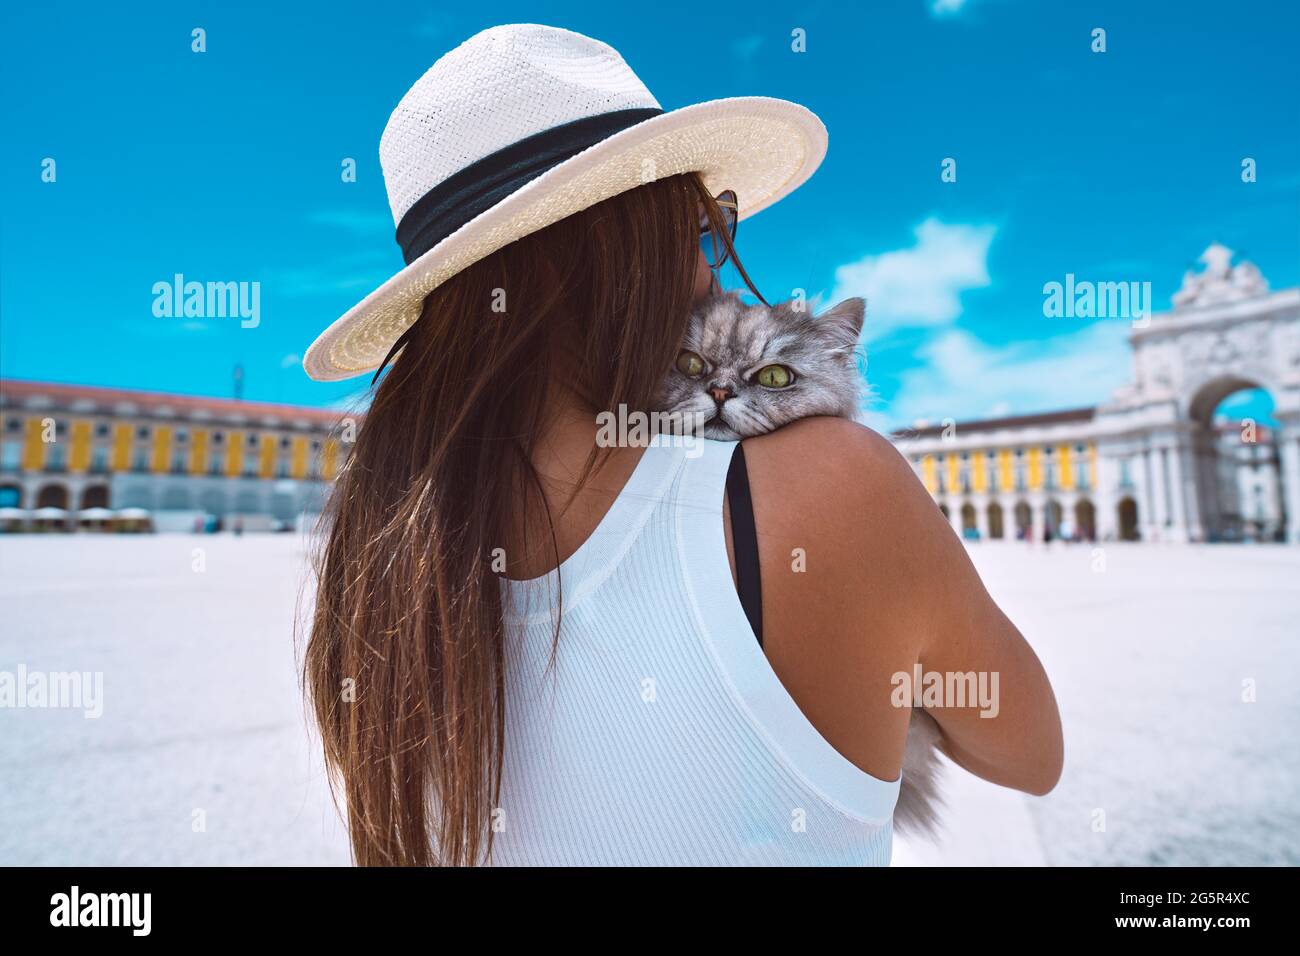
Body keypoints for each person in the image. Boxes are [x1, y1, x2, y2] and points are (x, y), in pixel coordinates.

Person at [302, 24, 1062, 867]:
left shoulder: (374, 547)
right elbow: (1030, 751)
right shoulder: (830, 483)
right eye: (705, 224)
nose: (725, 267)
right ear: (608, 247)